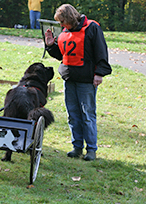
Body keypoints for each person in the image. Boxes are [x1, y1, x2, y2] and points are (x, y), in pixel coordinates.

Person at [45, 4, 112, 161]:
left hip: (86, 81)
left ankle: (91, 150)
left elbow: (101, 51)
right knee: (73, 115)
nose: (60, 25)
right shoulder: (66, 31)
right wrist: (50, 46)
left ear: (69, 18)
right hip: (69, 80)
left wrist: (99, 73)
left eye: (62, 22)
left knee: (87, 115)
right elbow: (64, 55)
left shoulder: (92, 28)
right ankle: (77, 147)